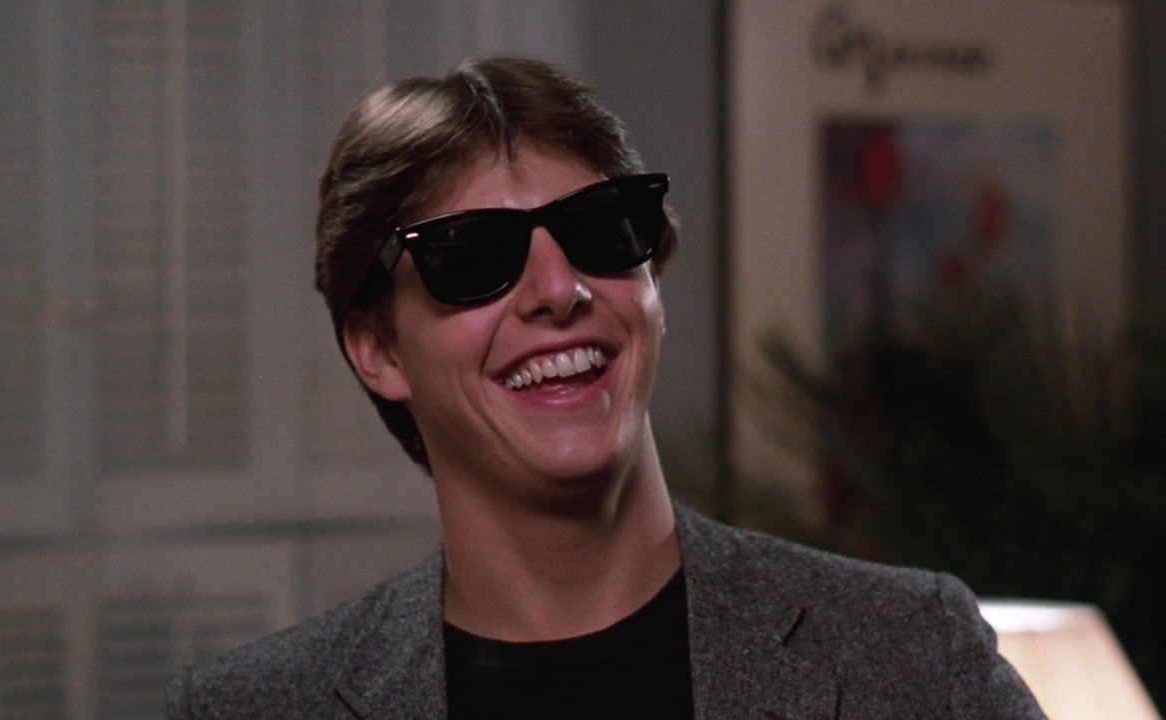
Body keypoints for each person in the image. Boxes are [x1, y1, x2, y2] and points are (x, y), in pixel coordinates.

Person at [166, 56, 1046, 719]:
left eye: (598, 229)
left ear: (652, 281)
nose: (559, 290)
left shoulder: (916, 656)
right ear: (377, 349)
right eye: (473, 256)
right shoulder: (246, 710)